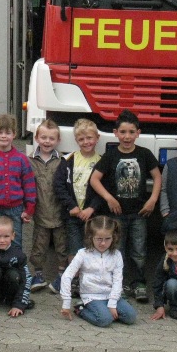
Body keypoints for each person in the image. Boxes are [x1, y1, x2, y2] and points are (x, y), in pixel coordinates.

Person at [89, 110, 161, 303]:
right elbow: (95, 179)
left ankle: (139, 283)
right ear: (115, 133)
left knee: (139, 251)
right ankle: (117, 285)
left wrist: (153, 199)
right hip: (116, 215)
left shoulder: (144, 154)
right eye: (123, 132)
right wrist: (109, 198)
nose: (127, 136)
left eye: (131, 132)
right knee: (117, 251)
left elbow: (157, 176)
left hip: (139, 214)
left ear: (138, 133)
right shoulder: (110, 155)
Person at [53, 118, 104, 297]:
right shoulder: (68, 160)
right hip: (73, 215)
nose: (86, 142)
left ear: (97, 138)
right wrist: (71, 206)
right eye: (81, 139)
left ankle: (91, 281)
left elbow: (104, 189)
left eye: (89, 138)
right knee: (74, 249)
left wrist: (92, 208)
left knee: (93, 248)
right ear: (76, 140)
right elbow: (59, 185)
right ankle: (74, 280)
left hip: (93, 216)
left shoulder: (102, 162)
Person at [59, 216, 136, 328]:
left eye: (107, 239)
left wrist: (112, 303)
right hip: (91, 296)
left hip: (111, 294)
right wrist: (66, 302)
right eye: (99, 239)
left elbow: (118, 280)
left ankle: (107, 311)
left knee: (131, 317)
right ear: (91, 237)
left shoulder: (116, 255)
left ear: (113, 237)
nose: (103, 243)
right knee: (105, 320)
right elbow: (67, 276)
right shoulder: (83, 254)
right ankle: (80, 309)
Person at [0, 113, 36, 249]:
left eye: (8, 133)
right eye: (0, 132)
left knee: (15, 244)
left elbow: (29, 186)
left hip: (16, 211)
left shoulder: (22, 159)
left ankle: (16, 263)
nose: (3, 136)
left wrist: (29, 209)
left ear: (14, 134)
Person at [28, 119, 67, 293]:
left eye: (51, 138)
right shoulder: (29, 161)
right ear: (37, 138)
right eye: (43, 137)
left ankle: (62, 276)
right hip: (40, 213)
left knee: (62, 245)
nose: (47, 141)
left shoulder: (63, 161)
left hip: (59, 212)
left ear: (58, 140)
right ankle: (38, 275)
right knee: (39, 244)